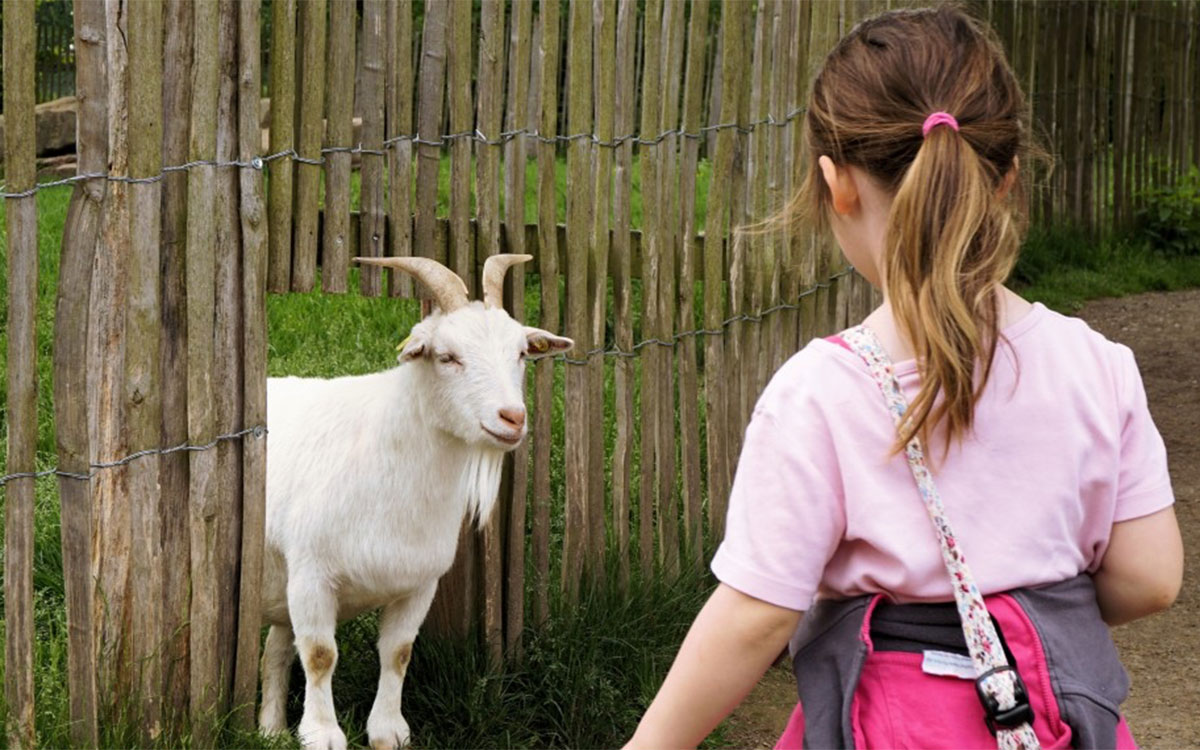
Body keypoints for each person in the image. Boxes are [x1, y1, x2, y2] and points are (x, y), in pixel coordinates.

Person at [626, 6, 1183, 749]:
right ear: (1009, 178)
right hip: (1053, 722)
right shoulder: (1097, 364)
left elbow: (756, 615)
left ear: (837, 184)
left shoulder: (819, 392)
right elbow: (1150, 580)